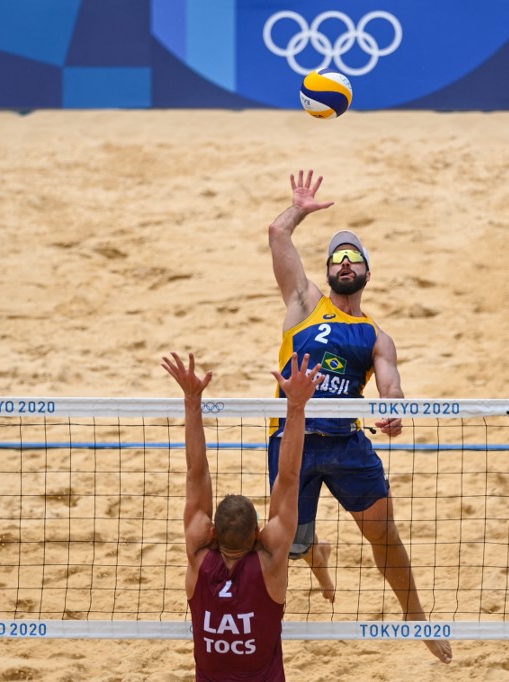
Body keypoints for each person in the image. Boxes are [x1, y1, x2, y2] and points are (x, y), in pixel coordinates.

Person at [265, 169, 452, 664]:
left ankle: (416, 618)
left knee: (383, 534)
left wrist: (393, 413)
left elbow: (391, 387)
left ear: (367, 272)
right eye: (336, 258)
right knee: (286, 547)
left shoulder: (376, 337)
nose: (345, 262)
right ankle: (312, 555)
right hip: (293, 439)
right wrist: (300, 209)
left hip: (347, 443)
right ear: (327, 272)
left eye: (354, 258)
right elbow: (277, 234)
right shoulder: (303, 302)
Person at [163, 350, 323, 681]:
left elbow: (196, 472)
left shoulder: (199, 556)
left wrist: (192, 401)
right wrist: (296, 407)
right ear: (258, 534)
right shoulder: (270, 562)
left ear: (213, 534)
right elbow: (290, 477)